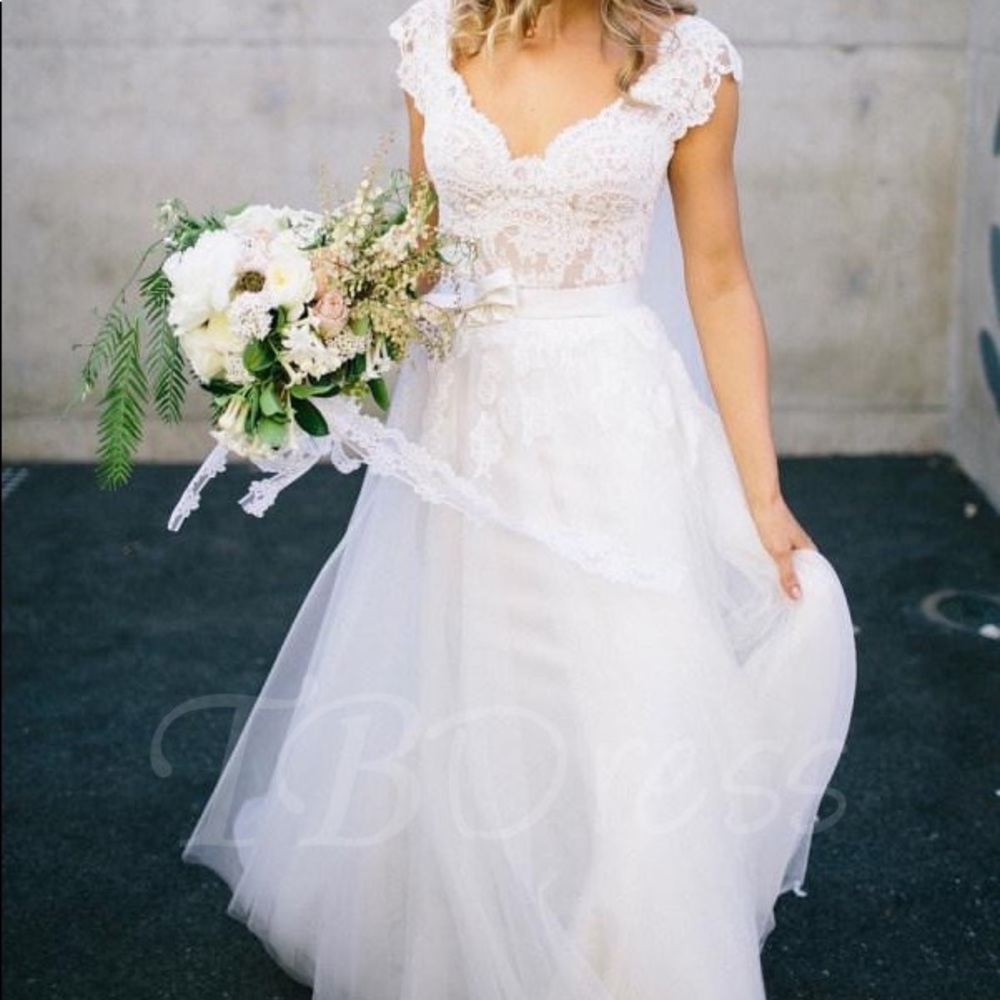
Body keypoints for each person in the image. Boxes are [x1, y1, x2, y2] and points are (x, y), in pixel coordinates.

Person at [182, 1, 856, 997]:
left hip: (610, 424)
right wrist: (299, 315)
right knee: (469, 674)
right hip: (461, 419)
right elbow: (417, 247)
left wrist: (761, 493)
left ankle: (624, 941)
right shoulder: (433, 41)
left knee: (629, 682)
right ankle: (471, 932)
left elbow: (716, 275)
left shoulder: (688, 65)